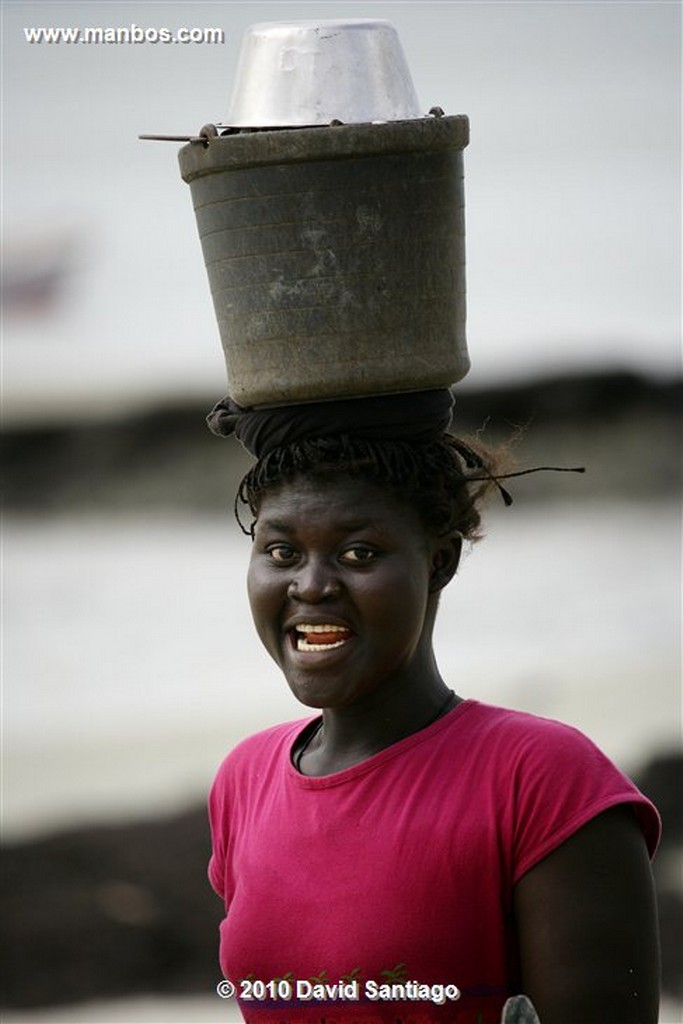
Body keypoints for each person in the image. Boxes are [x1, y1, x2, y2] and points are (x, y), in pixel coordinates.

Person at [206, 390, 661, 1024]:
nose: (311, 585)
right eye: (281, 552)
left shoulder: (544, 780)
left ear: (438, 561)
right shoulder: (244, 780)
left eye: (358, 553)